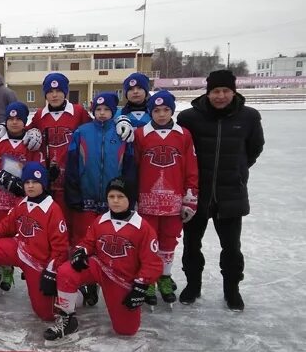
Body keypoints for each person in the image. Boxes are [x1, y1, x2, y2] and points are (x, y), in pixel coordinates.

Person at [176, 69, 264, 311]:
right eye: (216, 91)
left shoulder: (249, 117)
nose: (221, 96)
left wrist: (237, 170)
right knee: (192, 245)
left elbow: (255, 148)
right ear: (208, 92)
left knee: (232, 248)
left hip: (230, 194)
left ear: (234, 91)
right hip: (197, 194)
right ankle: (193, 286)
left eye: (226, 90)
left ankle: (232, 290)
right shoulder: (189, 118)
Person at [48, 177, 162, 344]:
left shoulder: (143, 228)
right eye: (111, 196)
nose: (115, 201)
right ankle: (67, 318)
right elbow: (89, 242)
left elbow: (152, 263)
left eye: (121, 197)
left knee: (126, 330)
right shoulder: (100, 221)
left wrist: (140, 286)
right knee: (66, 271)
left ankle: (88, 292)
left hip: (121, 278)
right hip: (100, 266)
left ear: (130, 198)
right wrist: (82, 251)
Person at [0, 162, 69, 322]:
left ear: (44, 184)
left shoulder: (53, 210)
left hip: (38, 262)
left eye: (35, 182)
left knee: (46, 314)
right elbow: (7, 225)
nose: (30, 186)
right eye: (27, 182)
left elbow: (60, 248)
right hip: (19, 249)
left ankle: (74, 293)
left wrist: (51, 273)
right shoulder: (22, 203)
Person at [64, 92, 135, 306]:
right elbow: (72, 165)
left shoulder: (122, 133)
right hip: (86, 198)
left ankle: (115, 284)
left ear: (114, 111)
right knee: (82, 242)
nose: (102, 113)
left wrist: (129, 197)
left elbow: (130, 167)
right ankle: (87, 284)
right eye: (98, 109)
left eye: (106, 110)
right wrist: (73, 193)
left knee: (110, 244)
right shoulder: (82, 132)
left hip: (113, 202)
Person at [133, 90, 198, 306]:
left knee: (169, 240)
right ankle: (149, 278)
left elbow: (191, 168)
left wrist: (190, 198)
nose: (161, 114)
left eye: (166, 110)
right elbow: (133, 167)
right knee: (149, 240)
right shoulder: (141, 134)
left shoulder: (183, 135)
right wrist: (132, 197)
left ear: (172, 110)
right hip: (147, 199)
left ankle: (165, 276)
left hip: (173, 200)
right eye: (156, 110)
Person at [0, 101, 44, 291]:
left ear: (25, 121)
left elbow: (38, 167)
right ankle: (0, 265)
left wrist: (27, 181)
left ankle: (17, 267)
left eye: (19, 119)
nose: (14, 123)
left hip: (22, 198)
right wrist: (0, 176)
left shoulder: (31, 144)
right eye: (10, 119)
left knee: (22, 233)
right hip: (0, 198)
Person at [28, 73, 91, 240]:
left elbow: (94, 131)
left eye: (58, 90)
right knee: (48, 220)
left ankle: (69, 257)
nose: (54, 95)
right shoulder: (40, 114)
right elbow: (26, 133)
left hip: (71, 177)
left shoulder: (78, 112)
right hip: (48, 179)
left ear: (66, 92)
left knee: (70, 221)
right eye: (50, 91)